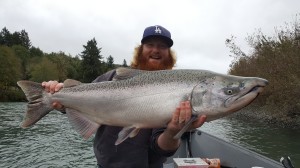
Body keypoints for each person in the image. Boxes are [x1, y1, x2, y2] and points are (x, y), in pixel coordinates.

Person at [43, 25, 207, 168]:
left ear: (169, 53)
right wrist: (58, 98)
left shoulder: (176, 90)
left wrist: (173, 132)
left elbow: (161, 146)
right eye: (150, 44)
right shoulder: (112, 77)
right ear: (141, 49)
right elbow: (82, 98)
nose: (156, 50)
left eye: (162, 46)